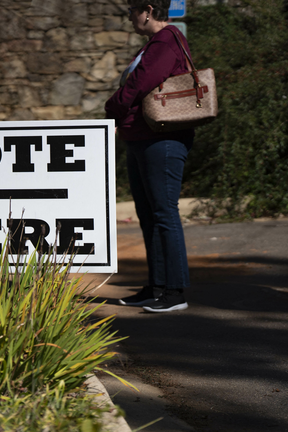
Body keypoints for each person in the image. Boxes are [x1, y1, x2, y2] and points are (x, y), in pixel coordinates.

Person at [105, 0, 194, 313]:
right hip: (143, 137)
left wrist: (111, 107)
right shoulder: (154, 44)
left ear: (148, 10)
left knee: (164, 213)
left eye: (131, 10)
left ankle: (175, 291)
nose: (129, 16)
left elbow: (138, 85)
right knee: (150, 214)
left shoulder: (166, 41)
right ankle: (157, 286)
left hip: (163, 139)